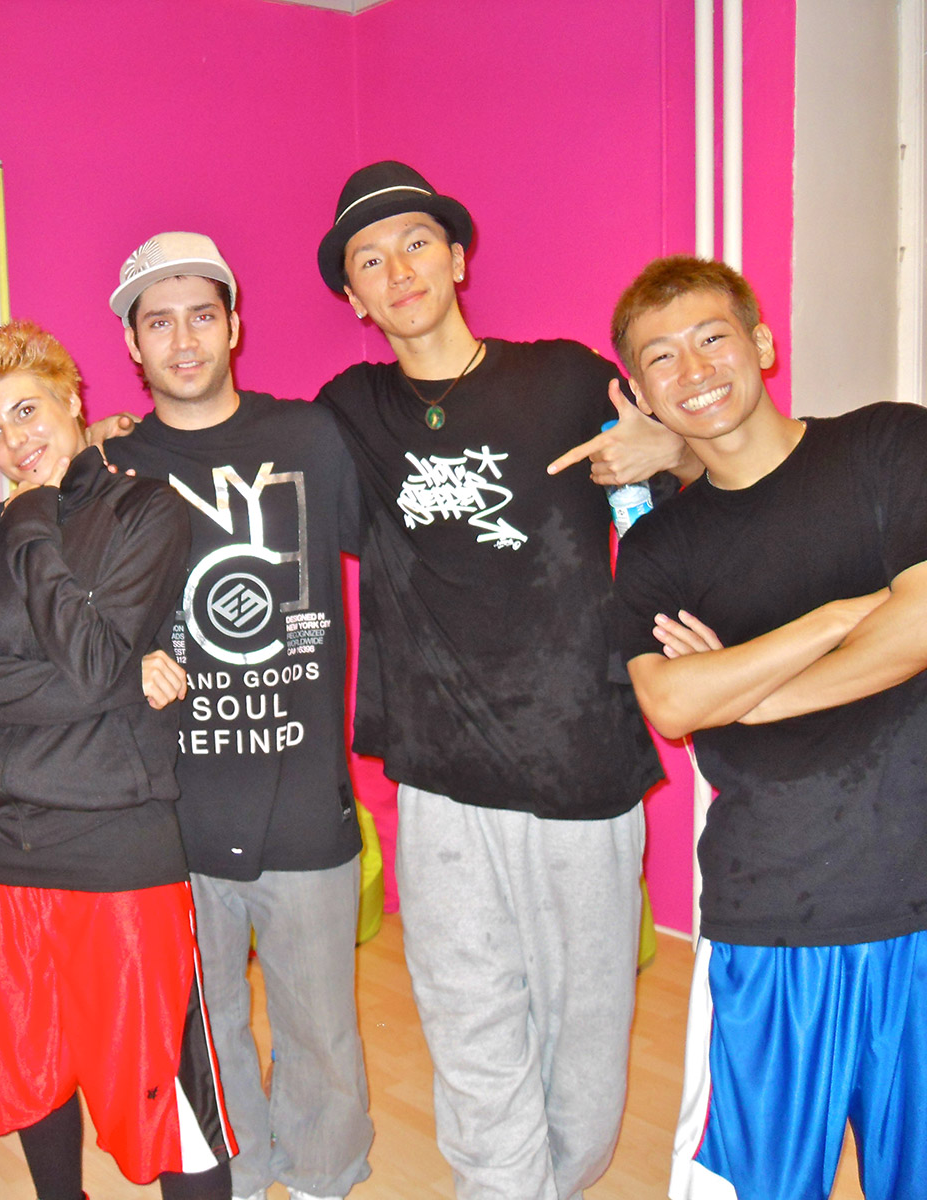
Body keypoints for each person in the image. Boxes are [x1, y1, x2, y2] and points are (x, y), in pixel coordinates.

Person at [312, 161, 689, 1200]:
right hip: (439, 774)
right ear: (354, 297)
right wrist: (111, 439)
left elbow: (701, 479)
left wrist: (671, 447)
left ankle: (556, 1181)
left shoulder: (565, 380)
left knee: (585, 1029)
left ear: (456, 258)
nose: (398, 271)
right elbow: (234, 447)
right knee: (465, 1012)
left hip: (581, 763)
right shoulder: (349, 411)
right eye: (370, 261)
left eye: (415, 245)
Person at [608, 256, 927, 1200]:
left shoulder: (887, 446)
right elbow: (671, 704)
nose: (694, 369)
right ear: (643, 394)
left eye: (712, 337)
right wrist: (837, 618)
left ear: (761, 342)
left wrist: (751, 690)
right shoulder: (659, 546)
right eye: (661, 357)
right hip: (774, 916)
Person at [0, 319, 235, 1200]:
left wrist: (32, 519)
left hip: (116, 843)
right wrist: (116, 677)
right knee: (28, 1062)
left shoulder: (146, 511)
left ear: (72, 400)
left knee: (164, 1092)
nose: (15, 442)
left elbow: (94, 658)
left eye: (28, 412)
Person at [104, 232, 372, 1200]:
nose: (183, 340)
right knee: (202, 1024)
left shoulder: (311, 439)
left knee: (320, 1028)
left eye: (201, 316)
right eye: (159, 322)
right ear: (132, 343)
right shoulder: (109, 464)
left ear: (234, 325)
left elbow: (407, 542)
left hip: (303, 797)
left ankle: (325, 1179)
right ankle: (238, 1176)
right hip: (169, 805)